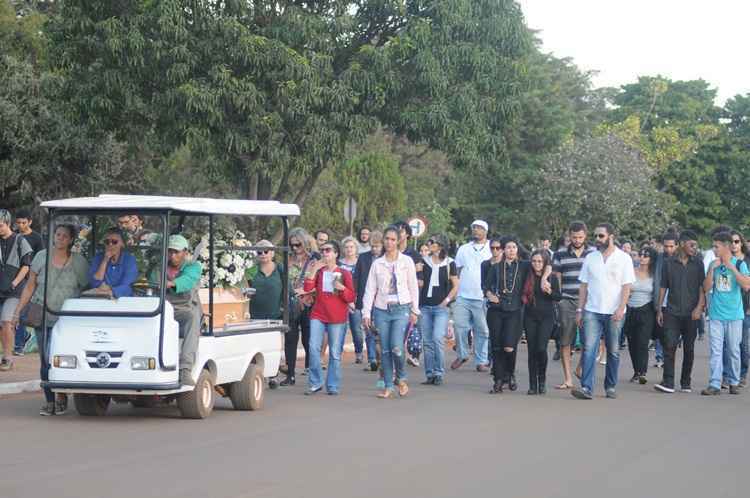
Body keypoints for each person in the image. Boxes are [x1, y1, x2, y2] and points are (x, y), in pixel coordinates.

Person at [12, 224, 88, 414]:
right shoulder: (41, 257)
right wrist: (17, 311)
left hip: (68, 320)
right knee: (45, 360)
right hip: (43, 315)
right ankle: (50, 400)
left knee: (60, 359)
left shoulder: (78, 261)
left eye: (64, 236)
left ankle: (61, 395)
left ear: (71, 240)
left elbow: (87, 287)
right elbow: (30, 286)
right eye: (57, 235)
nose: (59, 238)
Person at [572, 223, 635, 400]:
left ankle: (610, 386)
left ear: (611, 237)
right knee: (589, 349)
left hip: (614, 312)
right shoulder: (591, 257)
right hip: (592, 310)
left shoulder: (624, 258)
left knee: (613, 350)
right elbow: (583, 285)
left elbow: (626, 286)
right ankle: (586, 388)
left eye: (601, 236)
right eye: (596, 236)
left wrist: (621, 308)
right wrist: (579, 309)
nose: (597, 239)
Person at [484, 237, 550, 393]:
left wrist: (545, 279)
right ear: (503, 250)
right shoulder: (495, 267)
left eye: (514, 247)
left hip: (515, 311)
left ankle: (510, 373)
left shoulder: (525, 266)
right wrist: (489, 294)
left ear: (517, 249)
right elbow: (485, 286)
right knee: (497, 346)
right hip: (496, 310)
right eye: (508, 247)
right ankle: (498, 380)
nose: (511, 250)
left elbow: (547, 264)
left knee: (509, 346)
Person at [362, 226, 420, 399]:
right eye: (386, 239)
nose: (389, 242)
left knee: (396, 346)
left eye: (393, 239)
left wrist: (415, 310)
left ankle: (401, 377)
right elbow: (370, 289)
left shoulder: (406, 261)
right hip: (381, 310)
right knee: (385, 350)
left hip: (401, 308)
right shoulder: (377, 264)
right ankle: (388, 385)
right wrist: (366, 313)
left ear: (398, 241)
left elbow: (413, 287)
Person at [654, 230, 705, 394]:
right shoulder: (669, 263)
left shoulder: (698, 263)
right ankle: (668, 382)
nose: (694, 248)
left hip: (692, 313)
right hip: (672, 311)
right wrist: (659, 309)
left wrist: (699, 308)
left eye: (696, 245)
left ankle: (685, 382)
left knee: (689, 349)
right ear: (682, 244)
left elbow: (701, 288)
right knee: (669, 345)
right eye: (692, 244)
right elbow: (663, 286)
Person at [700, 231, 750, 396]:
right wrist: (711, 272)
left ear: (726, 246)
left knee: (734, 350)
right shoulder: (713, 264)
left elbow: (746, 286)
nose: (714, 249)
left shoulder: (740, 263)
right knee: (716, 350)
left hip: (735, 315)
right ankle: (714, 384)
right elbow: (706, 288)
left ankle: (734, 382)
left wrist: (731, 268)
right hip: (716, 314)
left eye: (716, 246)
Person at [303, 240, 355, 395]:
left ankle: (332, 384)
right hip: (318, 314)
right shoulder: (318, 271)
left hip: (337, 317)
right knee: (313, 347)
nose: (325, 253)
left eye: (328, 250)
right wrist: (313, 270)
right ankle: (315, 382)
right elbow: (307, 288)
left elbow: (351, 296)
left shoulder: (344, 273)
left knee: (334, 352)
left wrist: (343, 288)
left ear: (336, 254)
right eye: (323, 250)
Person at [151, 235, 202, 386]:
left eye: (176, 252)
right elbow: (153, 281)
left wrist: (172, 284)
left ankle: (185, 369)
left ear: (185, 252)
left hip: (182, 309)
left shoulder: (193, 266)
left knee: (193, 317)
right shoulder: (159, 267)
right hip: (160, 308)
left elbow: (188, 280)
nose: (172, 255)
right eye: (170, 251)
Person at [552, 221, 592, 389]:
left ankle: (580, 368)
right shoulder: (560, 254)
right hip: (567, 300)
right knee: (565, 341)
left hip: (589, 302)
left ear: (585, 236)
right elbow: (556, 277)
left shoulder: (593, 254)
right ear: (569, 236)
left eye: (580, 237)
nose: (577, 240)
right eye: (574, 237)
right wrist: (558, 298)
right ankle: (568, 378)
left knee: (589, 341)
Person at [451, 220, 492, 371]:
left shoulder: (491, 248)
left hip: (481, 296)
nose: (476, 230)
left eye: (479, 228)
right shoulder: (463, 249)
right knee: (459, 326)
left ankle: (481, 361)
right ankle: (462, 354)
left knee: (482, 330)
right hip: (463, 295)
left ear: (486, 231)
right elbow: (457, 271)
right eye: (474, 227)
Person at [418, 234, 458, 386]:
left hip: (441, 307)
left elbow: (455, 285)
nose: (429, 244)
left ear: (440, 245)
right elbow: (420, 282)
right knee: (427, 341)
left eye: (432, 242)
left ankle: (439, 372)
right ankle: (430, 374)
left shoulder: (450, 263)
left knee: (437, 338)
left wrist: (447, 300)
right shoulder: (424, 261)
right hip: (425, 306)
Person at [522, 250, 561, 395]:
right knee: (532, 350)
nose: (536, 264)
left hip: (547, 317)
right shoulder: (527, 275)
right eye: (534, 261)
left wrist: (549, 290)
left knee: (541, 348)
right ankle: (533, 384)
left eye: (540, 261)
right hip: (529, 316)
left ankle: (542, 381)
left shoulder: (552, 278)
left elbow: (558, 297)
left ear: (545, 262)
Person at [283, 228, 318, 384]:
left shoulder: (314, 261)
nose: (295, 249)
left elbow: (320, 283)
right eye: (292, 246)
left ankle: (311, 371)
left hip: (309, 304)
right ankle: (290, 375)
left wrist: (306, 290)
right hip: (291, 304)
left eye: (298, 245)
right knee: (290, 339)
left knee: (308, 339)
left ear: (305, 243)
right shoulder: (287, 260)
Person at [0, 209, 34, 371]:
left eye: (0, 225)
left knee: (7, 322)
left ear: (7, 224)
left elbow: (26, 266)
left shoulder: (20, 240)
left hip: (14, 290)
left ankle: (7, 358)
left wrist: (14, 283)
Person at [623, 246, 659, 385]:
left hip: (647, 310)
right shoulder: (631, 272)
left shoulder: (655, 275)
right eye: (641, 254)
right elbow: (624, 288)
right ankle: (636, 371)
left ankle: (643, 372)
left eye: (646, 255)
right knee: (632, 343)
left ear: (652, 259)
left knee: (643, 342)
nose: (642, 257)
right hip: (630, 309)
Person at [12, 209, 44, 356]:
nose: (21, 225)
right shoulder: (14, 236)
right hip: (14, 277)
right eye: (18, 222)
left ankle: (18, 346)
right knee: (13, 311)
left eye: (24, 222)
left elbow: (42, 257)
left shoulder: (36, 238)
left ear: (30, 222)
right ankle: (23, 336)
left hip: (30, 278)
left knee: (23, 312)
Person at [353, 231, 384, 372]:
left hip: (381, 301)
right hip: (365, 298)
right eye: (372, 246)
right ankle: (372, 359)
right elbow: (356, 278)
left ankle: (381, 360)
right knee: (368, 330)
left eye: (377, 246)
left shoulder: (386, 258)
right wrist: (354, 296)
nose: (374, 249)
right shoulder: (363, 258)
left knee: (379, 332)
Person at [652, 232, 678, 367]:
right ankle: (659, 357)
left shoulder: (682, 259)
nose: (668, 249)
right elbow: (656, 279)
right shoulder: (659, 258)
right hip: (661, 302)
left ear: (677, 246)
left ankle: (668, 360)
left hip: (676, 304)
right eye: (666, 246)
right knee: (661, 332)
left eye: (671, 246)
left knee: (670, 337)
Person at [87, 228, 138, 298]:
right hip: (100, 300)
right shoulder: (98, 258)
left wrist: (110, 290)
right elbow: (94, 282)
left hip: (123, 301)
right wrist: (105, 260)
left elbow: (127, 286)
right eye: (107, 242)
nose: (110, 244)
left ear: (122, 244)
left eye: (114, 242)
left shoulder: (129, 260)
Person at [728, 231, 750, 387]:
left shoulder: (747, 261)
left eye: (736, 241)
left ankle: (742, 374)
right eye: (731, 242)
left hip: (746, 307)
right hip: (730, 308)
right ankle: (727, 375)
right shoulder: (725, 260)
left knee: (742, 344)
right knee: (727, 345)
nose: (734, 244)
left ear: (741, 243)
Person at [338, 236, 364, 364]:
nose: (349, 249)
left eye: (351, 247)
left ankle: (359, 353)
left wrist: (355, 299)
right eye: (347, 247)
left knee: (356, 328)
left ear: (356, 248)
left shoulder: (361, 262)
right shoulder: (339, 263)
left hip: (356, 300)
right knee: (340, 328)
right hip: (341, 301)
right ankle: (338, 353)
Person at [247, 240, 283, 321]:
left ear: (272, 253)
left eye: (266, 251)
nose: (263, 254)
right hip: (254, 317)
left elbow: (288, 291)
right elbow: (246, 291)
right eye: (259, 252)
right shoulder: (251, 270)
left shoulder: (280, 268)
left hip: (277, 317)